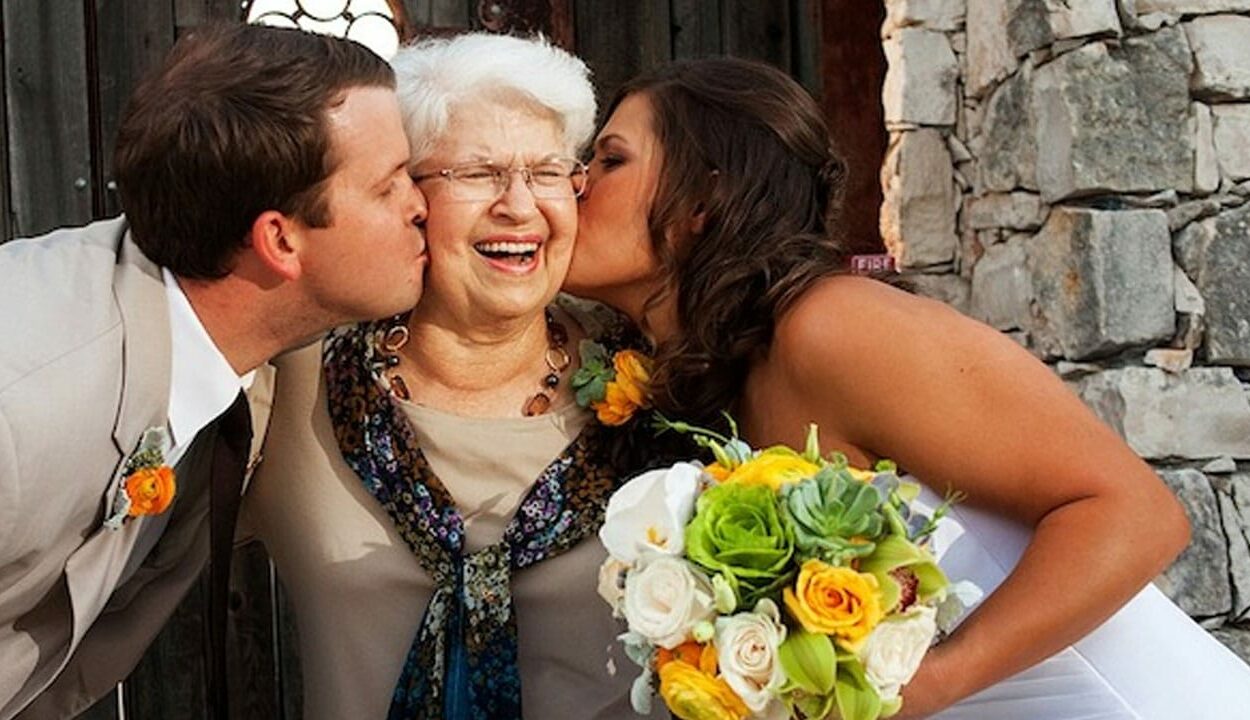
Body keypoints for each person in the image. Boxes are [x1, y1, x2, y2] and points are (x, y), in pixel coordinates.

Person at [563, 56, 1250, 719]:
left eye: (611, 160)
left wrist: (928, 686)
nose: (574, 183)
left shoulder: (830, 326)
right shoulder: (702, 380)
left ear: (703, 201)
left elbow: (1135, 514)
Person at [0, 23, 427, 720]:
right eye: (389, 187)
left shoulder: (243, 348)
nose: (420, 205)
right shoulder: (20, 406)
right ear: (280, 240)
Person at [242, 32, 664, 720]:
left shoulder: (654, 385)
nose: (519, 205)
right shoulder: (294, 383)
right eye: (477, 173)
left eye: (548, 172)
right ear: (406, 194)